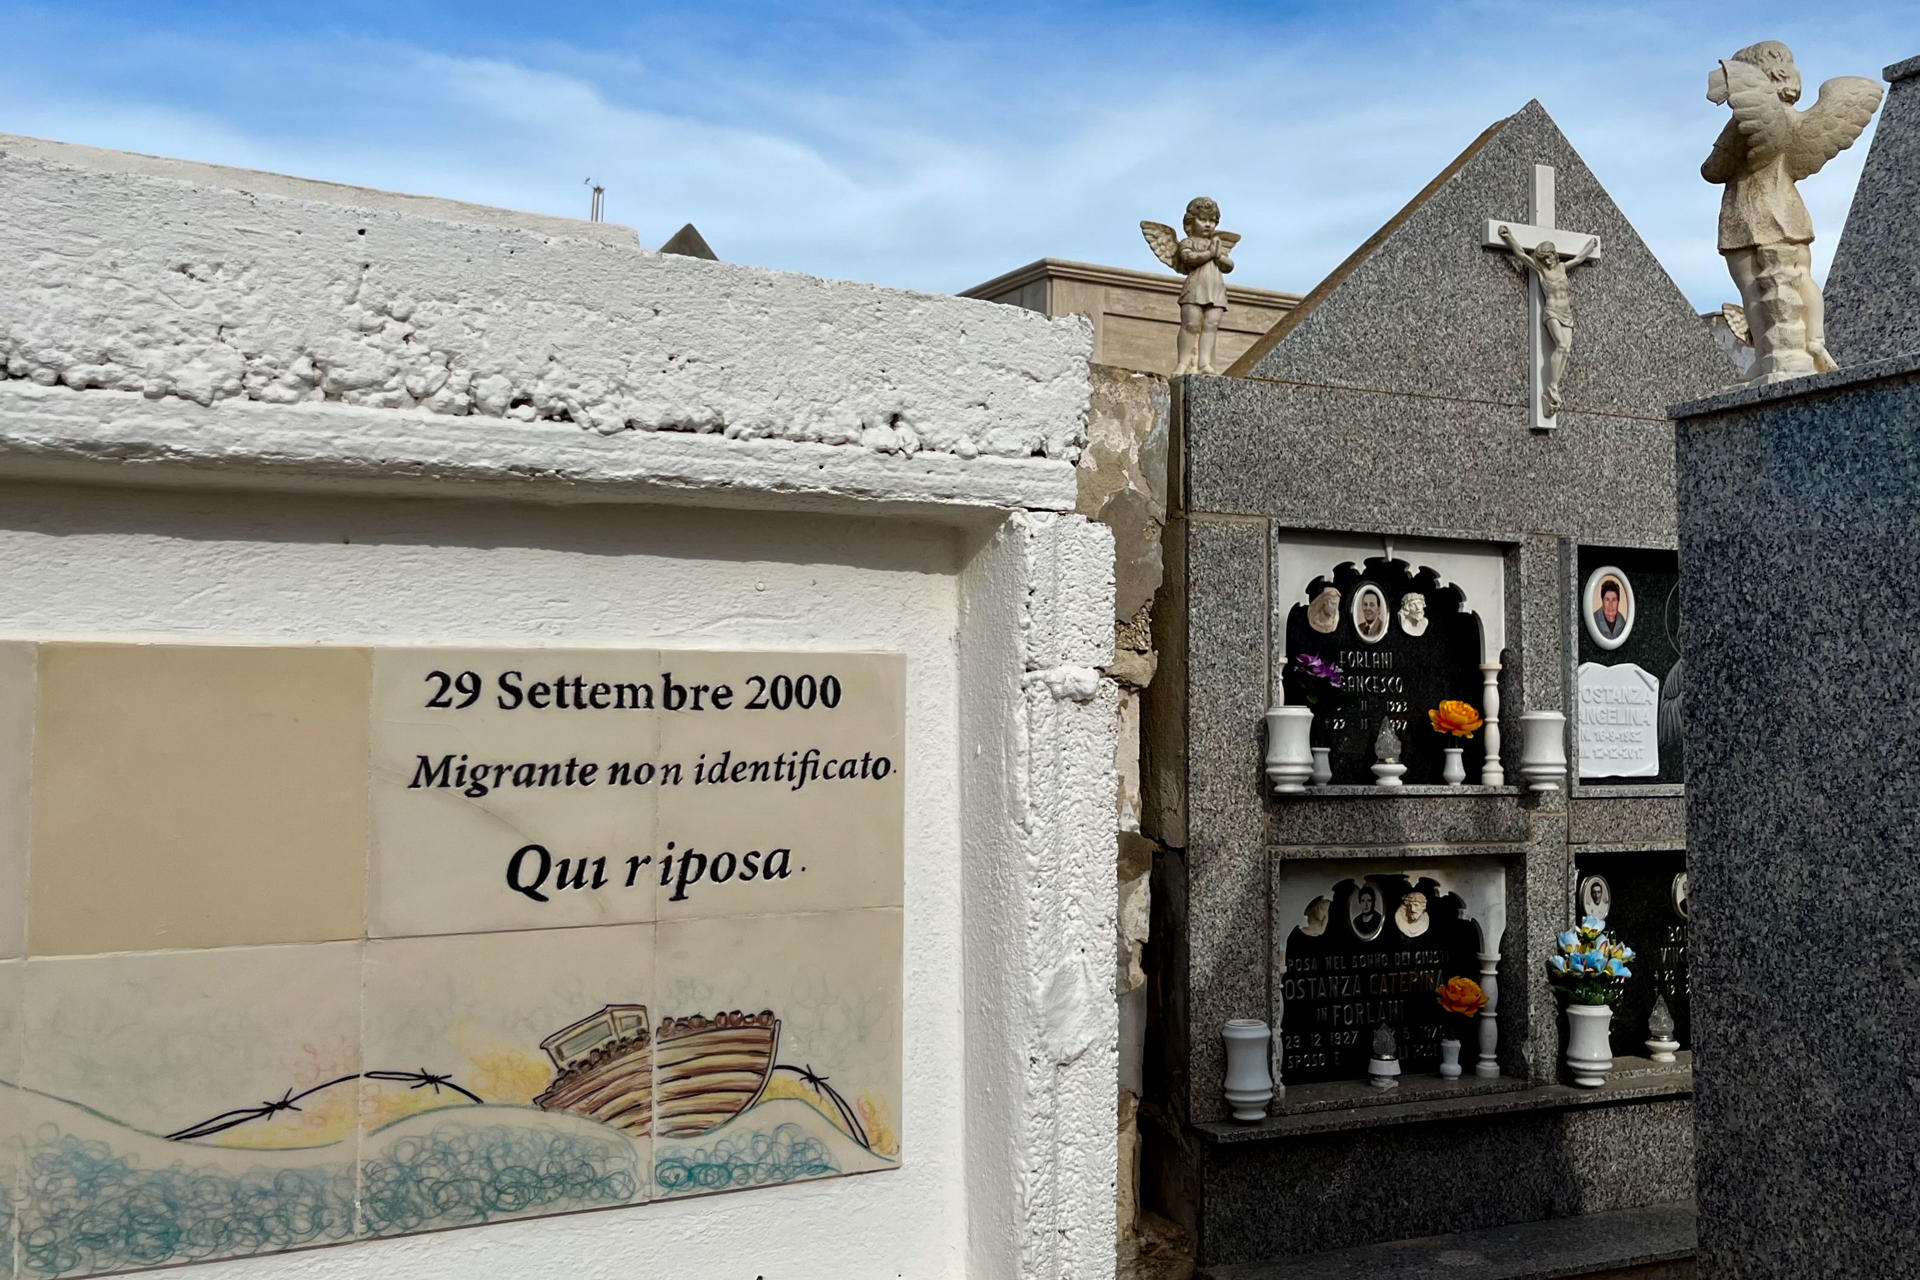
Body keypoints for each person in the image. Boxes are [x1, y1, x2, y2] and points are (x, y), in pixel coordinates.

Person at [1497, 224, 1598, 416]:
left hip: (1567, 314)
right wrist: (1509, 237)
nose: (1549, 259)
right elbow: (1521, 256)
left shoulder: (1562, 267)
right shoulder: (1542, 271)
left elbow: (1578, 259)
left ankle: (1554, 387)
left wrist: (1590, 246)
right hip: (1551, 312)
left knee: (1566, 351)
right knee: (1560, 345)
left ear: (1555, 254)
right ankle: (1552, 386)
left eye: (1551, 255)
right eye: (1545, 257)